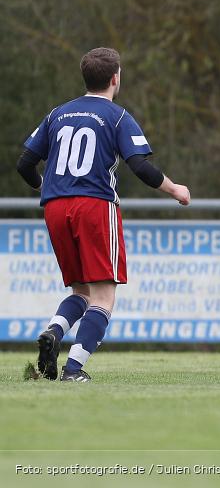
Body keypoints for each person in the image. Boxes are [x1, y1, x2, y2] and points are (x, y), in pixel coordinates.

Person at [17, 47, 191, 382]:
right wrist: (175, 189)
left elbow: (24, 163)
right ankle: (74, 368)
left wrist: (45, 188)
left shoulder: (57, 114)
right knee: (104, 295)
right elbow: (139, 165)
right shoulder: (117, 117)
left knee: (80, 291)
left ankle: (53, 332)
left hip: (54, 207)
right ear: (115, 78)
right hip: (94, 206)